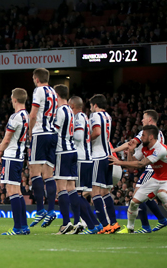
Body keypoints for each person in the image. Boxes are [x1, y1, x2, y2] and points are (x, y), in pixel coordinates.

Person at [109, 125, 167, 234]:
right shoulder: (144, 147)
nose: (140, 138)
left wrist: (119, 162)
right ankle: (130, 228)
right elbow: (131, 166)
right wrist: (130, 151)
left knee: (162, 194)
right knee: (134, 202)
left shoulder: (160, 149)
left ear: (151, 137)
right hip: (156, 178)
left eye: (143, 135)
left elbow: (141, 164)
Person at [113, 109, 167, 233]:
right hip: (153, 169)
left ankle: (145, 227)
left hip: (152, 169)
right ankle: (161, 219)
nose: (142, 120)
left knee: (137, 196)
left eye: (143, 118)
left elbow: (131, 142)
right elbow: (134, 161)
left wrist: (112, 150)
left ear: (150, 119)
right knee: (146, 197)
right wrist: (130, 152)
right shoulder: (154, 137)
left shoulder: (149, 133)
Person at [0, 88, 30, 235]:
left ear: (14, 99)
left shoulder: (15, 117)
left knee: (12, 192)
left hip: (11, 156)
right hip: (19, 156)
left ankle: (17, 227)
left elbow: (7, 138)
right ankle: (24, 226)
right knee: (18, 191)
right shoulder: (27, 116)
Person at [28, 68, 59, 227]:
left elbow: (33, 115)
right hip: (53, 134)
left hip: (40, 133)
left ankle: (40, 209)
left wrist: (29, 132)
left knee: (34, 171)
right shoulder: (53, 92)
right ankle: (52, 210)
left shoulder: (38, 91)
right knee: (48, 173)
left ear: (36, 78)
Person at [48, 85, 79, 234]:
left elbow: (54, 133)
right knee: (72, 188)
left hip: (62, 152)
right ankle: (78, 222)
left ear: (57, 95)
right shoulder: (71, 111)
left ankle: (66, 223)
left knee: (61, 188)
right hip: (73, 150)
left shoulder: (60, 111)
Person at [69, 96, 101, 234]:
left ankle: (92, 226)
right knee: (79, 195)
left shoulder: (79, 118)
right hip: (85, 158)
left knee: (75, 195)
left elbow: (78, 136)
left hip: (81, 159)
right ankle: (95, 224)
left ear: (72, 106)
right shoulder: (84, 117)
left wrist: (66, 133)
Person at [89, 94, 120, 234]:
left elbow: (96, 132)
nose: (90, 109)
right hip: (108, 155)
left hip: (98, 156)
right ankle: (114, 223)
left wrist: (86, 139)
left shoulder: (95, 116)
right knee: (105, 192)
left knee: (95, 192)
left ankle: (104, 224)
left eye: (91, 106)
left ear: (95, 105)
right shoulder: (108, 116)